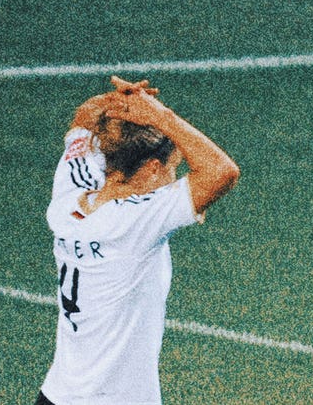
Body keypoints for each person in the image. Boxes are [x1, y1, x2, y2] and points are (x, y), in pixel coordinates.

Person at [36, 76, 240, 405]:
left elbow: (84, 118)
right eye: (172, 169)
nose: (173, 180)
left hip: (58, 395)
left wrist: (115, 101)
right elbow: (222, 172)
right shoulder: (133, 222)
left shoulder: (70, 193)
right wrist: (159, 115)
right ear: (150, 169)